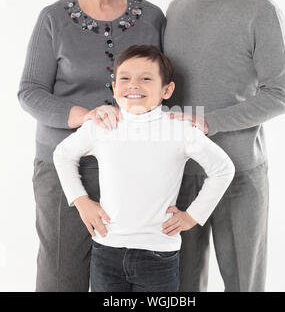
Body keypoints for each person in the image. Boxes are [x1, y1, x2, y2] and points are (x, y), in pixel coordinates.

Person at [17, 0, 166, 292]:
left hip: (133, 168)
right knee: (62, 273)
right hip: (65, 167)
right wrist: (85, 115)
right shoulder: (53, 18)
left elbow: (164, 89)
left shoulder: (153, 18)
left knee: (123, 275)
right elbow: (29, 91)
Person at [53, 45, 235, 292]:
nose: (134, 85)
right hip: (107, 250)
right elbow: (63, 155)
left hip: (158, 254)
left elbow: (223, 169)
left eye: (146, 78)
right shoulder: (103, 126)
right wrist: (81, 201)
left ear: (166, 90)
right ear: (115, 88)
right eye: (125, 78)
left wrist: (193, 216)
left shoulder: (178, 129)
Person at [163, 0, 285, 292]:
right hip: (183, 173)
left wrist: (210, 122)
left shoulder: (261, 10)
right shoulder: (175, 9)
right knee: (181, 286)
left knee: (243, 283)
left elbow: (278, 96)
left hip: (239, 172)